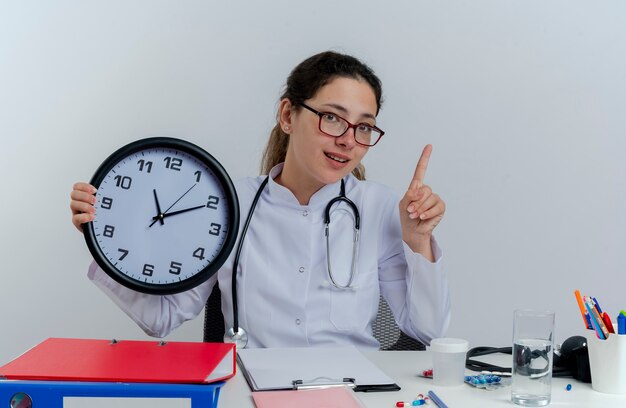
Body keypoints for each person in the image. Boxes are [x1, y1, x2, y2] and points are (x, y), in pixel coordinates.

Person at [70, 51, 450, 350]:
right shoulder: (225, 203)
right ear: (288, 115)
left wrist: (417, 241)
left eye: (363, 126)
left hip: (349, 389)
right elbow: (163, 318)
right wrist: (104, 236)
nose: (348, 140)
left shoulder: (380, 206)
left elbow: (427, 332)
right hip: (252, 391)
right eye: (332, 118)